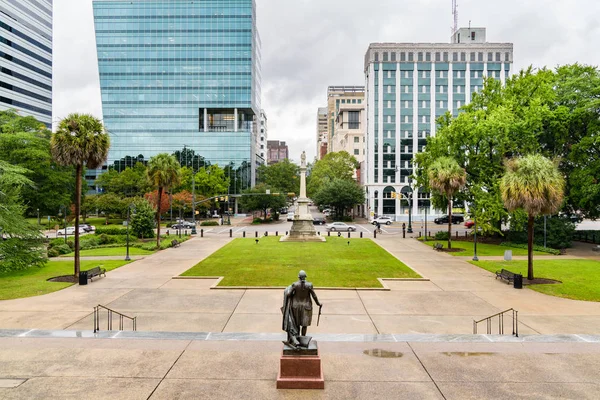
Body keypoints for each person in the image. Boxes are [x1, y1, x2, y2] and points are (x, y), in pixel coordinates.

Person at [281, 270, 322, 349]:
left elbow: (289, 294)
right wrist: (318, 303)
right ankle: (303, 340)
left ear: (299, 277)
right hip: (306, 306)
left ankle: (297, 339)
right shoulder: (309, 285)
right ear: (305, 277)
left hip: (295, 306)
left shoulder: (295, 285)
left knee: (296, 324)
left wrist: (288, 290)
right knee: (304, 324)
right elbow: (314, 296)